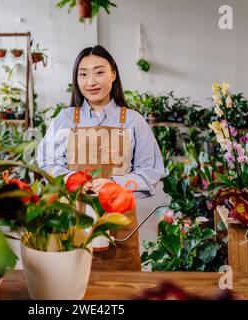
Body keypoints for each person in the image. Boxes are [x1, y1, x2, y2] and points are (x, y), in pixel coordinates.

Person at [37, 45, 165, 271]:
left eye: (99, 72)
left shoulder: (133, 121)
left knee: (121, 291)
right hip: (73, 223)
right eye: (83, 74)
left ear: (113, 74)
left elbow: (151, 170)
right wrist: (74, 180)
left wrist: (115, 184)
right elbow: (46, 162)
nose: (91, 81)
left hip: (119, 224)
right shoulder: (65, 119)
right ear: (76, 79)